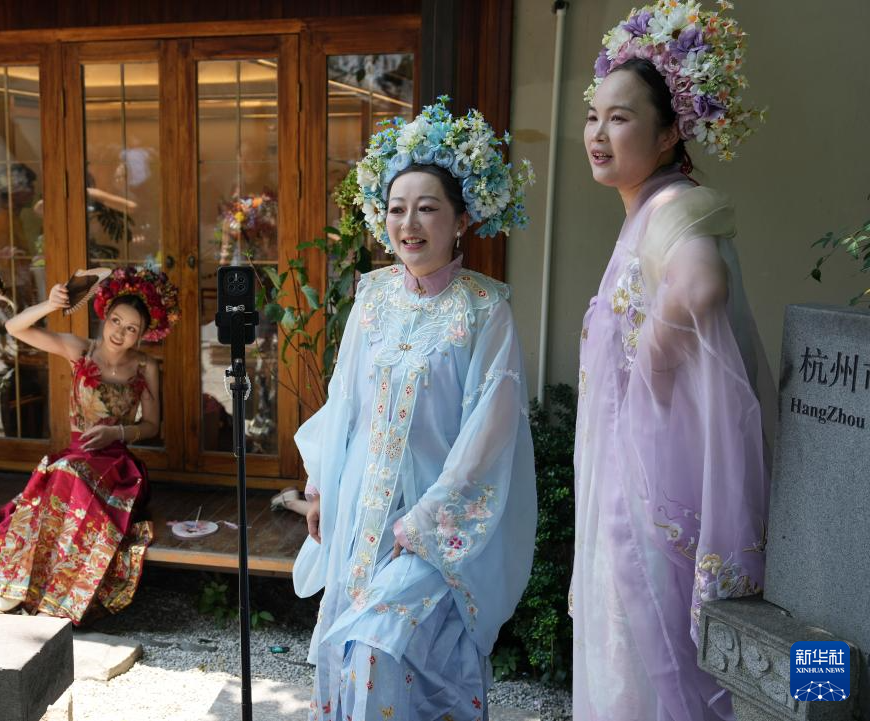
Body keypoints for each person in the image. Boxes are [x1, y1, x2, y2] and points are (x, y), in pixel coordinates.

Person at [292, 98, 538, 720]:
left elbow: (490, 433)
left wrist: (425, 524)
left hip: (435, 525)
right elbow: (343, 401)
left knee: (383, 649)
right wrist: (319, 486)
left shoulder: (486, 309)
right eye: (397, 208)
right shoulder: (373, 296)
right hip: (360, 514)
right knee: (349, 650)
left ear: (461, 219)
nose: (410, 223)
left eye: (427, 208)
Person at [572, 3, 773, 719]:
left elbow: (701, 286)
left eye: (620, 118)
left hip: (655, 496)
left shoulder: (674, 209)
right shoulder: (643, 214)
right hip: (629, 490)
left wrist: (654, 370)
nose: (598, 133)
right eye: (593, 116)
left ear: (668, 134)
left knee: (659, 677)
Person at [0, 266, 180, 624]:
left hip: (119, 467)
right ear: (105, 317)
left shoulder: (145, 366)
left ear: (142, 335)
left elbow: (152, 426)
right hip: (76, 457)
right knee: (63, 473)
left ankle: (61, 596)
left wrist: (116, 433)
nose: (120, 333)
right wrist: (50, 304)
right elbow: (15, 328)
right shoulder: (80, 350)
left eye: (131, 328)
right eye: (116, 321)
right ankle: (16, 584)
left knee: (68, 475)